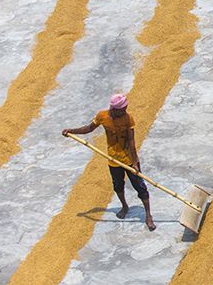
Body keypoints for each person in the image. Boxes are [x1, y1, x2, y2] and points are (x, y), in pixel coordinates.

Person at [62, 94, 155, 231]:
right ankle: (124, 206)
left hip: (129, 160)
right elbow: (89, 128)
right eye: (122, 109)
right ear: (114, 109)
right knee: (118, 186)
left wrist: (135, 162)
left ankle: (148, 215)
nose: (125, 111)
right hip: (113, 160)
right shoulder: (102, 116)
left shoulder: (128, 119)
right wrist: (72, 131)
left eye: (125, 108)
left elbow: (131, 142)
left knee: (140, 187)